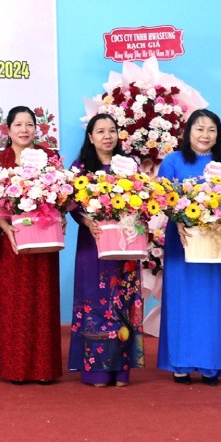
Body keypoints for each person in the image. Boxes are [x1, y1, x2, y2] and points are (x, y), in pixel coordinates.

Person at [157, 108, 221, 386]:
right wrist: (177, 219)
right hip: (183, 242)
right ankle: (180, 363)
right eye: (200, 128)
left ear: (219, 134)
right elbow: (163, 198)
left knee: (212, 303)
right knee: (181, 301)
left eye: (212, 129)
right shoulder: (172, 161)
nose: (205, 135)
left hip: (215, 243)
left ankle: (211, 365)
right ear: (188, 132)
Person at [0, 105, 63, 384]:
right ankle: (14, 368)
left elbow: (63, 195)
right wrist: (3, 224)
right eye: (18, 125)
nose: (24, 130)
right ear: (8, 129)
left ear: (37, 128)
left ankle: (44, 370)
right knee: (13, 302)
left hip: (44, 239)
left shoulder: (50, 158)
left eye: (29, 124)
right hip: (12, 240)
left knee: (43, 298)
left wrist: (60, 215)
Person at [68, 114, 144, 387]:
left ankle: (121, 370)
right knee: (96, 302)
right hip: (94, 243)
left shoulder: (130, 166)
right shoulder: (80, 168)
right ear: (90, 137)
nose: (107, 136)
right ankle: (96, 371)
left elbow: (144, 199)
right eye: (100, 131)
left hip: (125, 245)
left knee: (122, 302)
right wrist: (87, 221)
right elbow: (72, 204)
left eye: (112, 130)